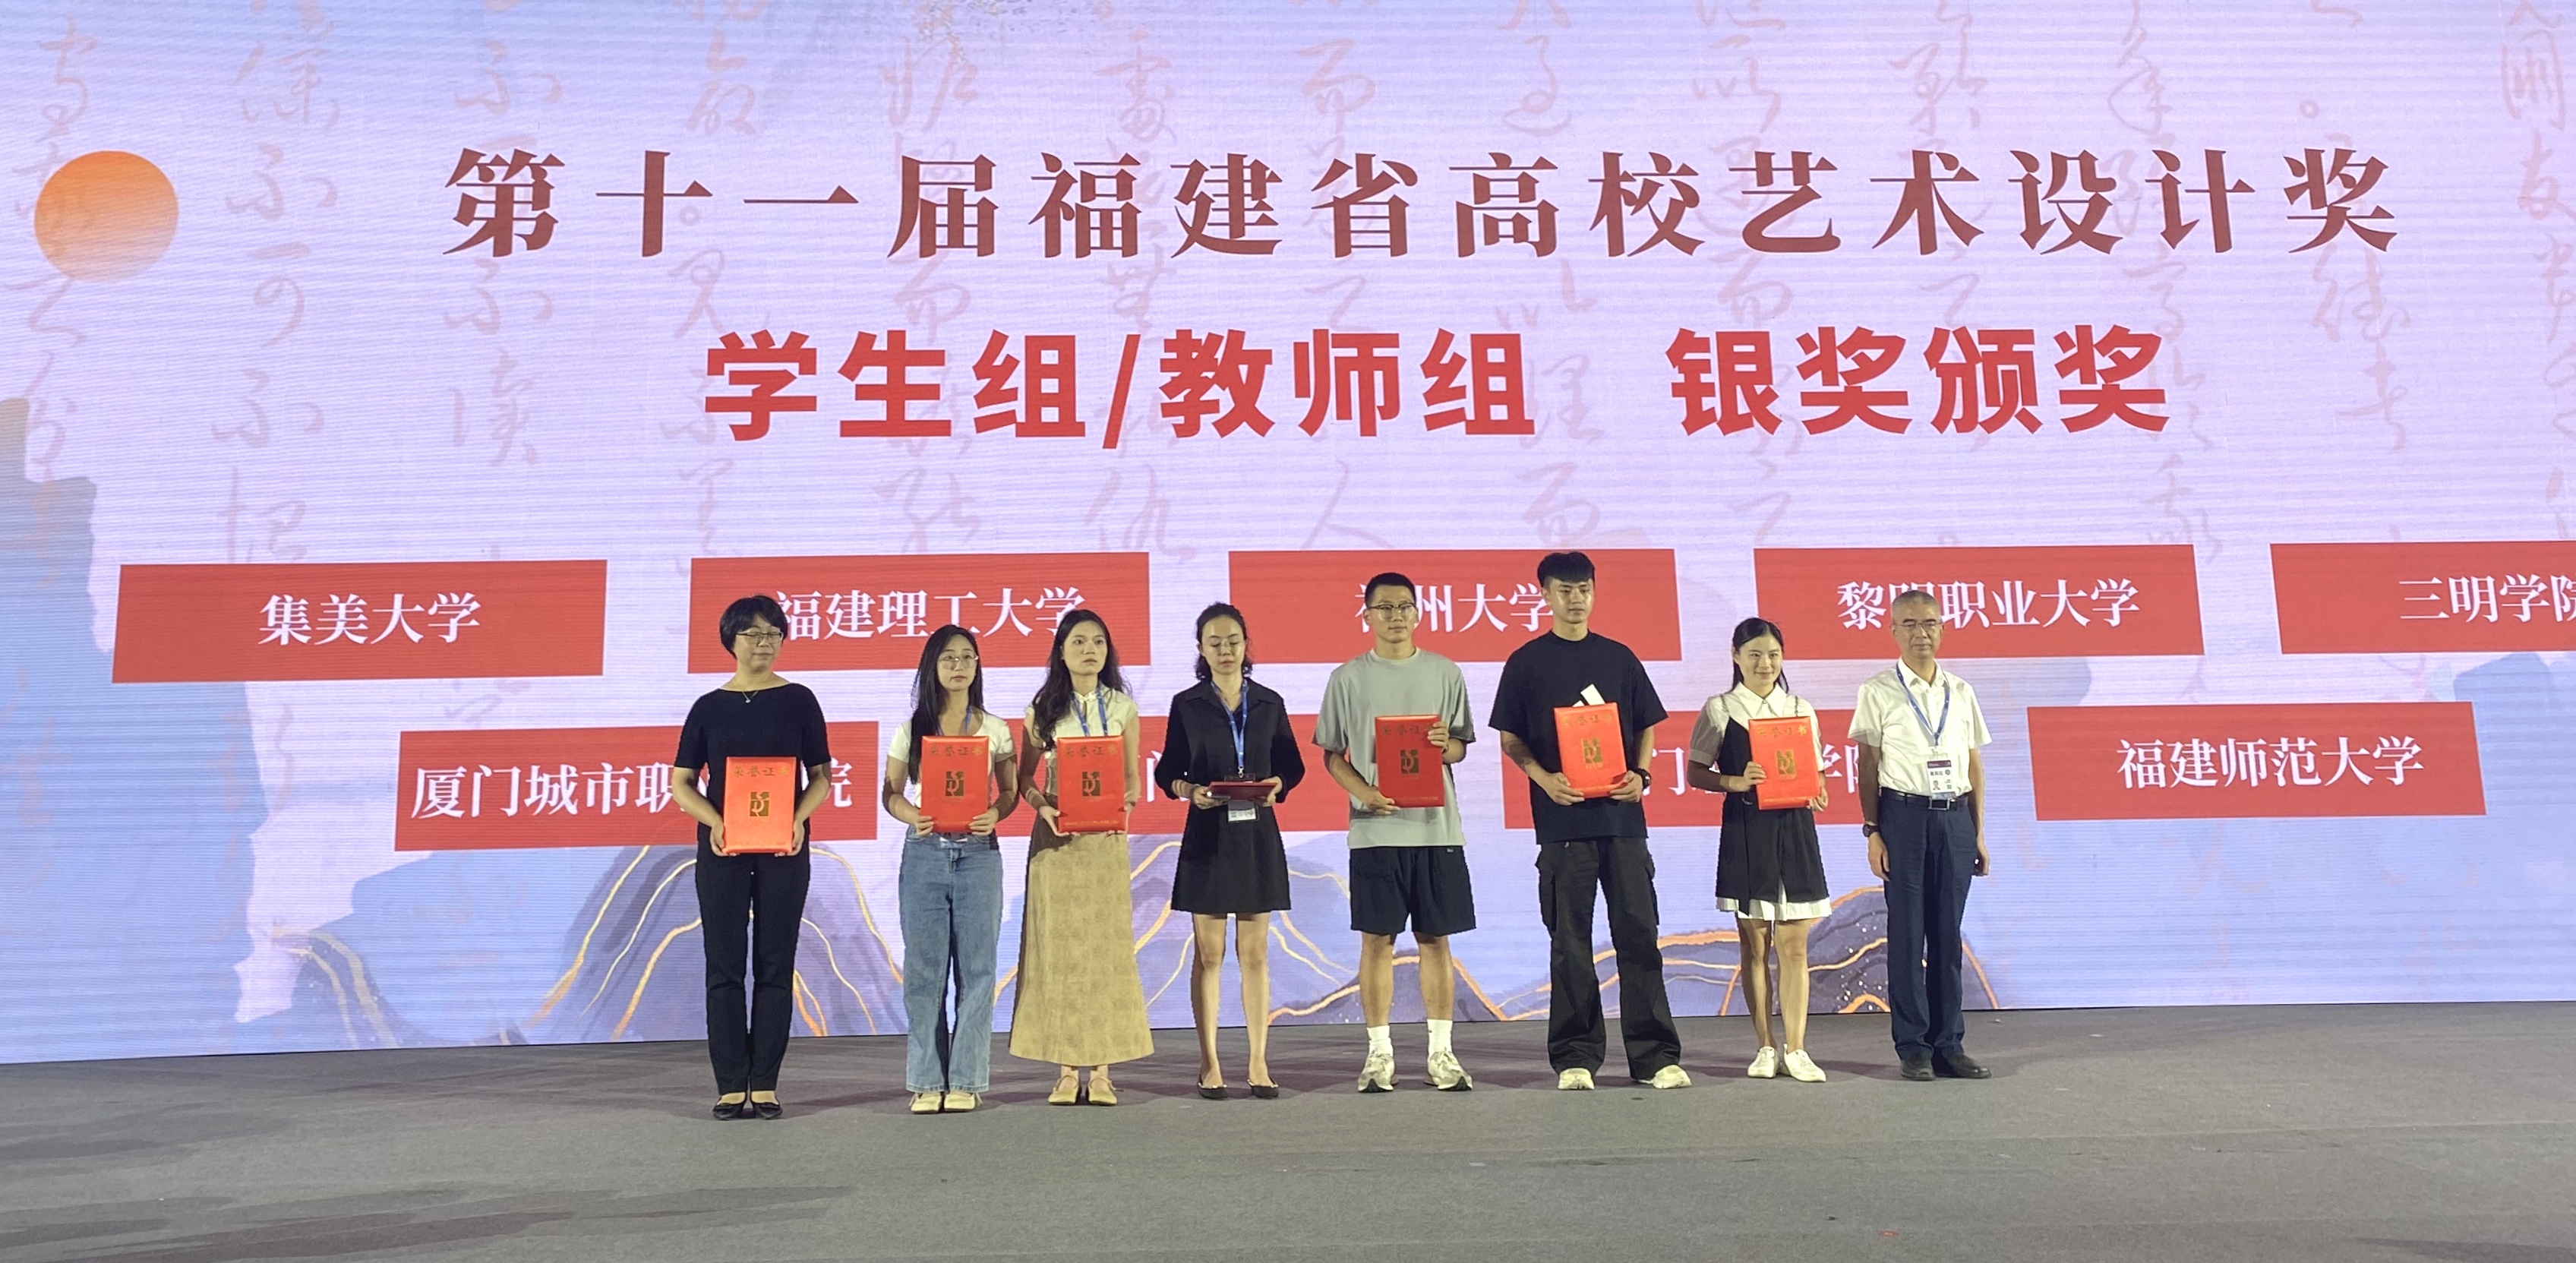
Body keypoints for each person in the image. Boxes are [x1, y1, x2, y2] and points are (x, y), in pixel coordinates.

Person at [1488, 551, 1689, 1091]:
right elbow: (1510, 738)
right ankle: (1575, 1056)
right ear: (1545, 595)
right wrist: (1543, 779)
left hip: (1623, 822)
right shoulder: (1526, 662)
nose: (1575, 599)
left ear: (1595, 593)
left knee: (1640, 936)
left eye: (1584, 589)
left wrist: (1641, 775)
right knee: (1571, 943)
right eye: (1564, 589)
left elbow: (1646, 724)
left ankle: (1654, 1057)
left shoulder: (1619, 657)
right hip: (1563, 825)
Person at [1312, 571, 1479, 1093]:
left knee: (1436, 938)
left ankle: (1441, 1053)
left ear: (1419, 613)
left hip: (1435, 829)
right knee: (1377, 939)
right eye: (1384, 607)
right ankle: (1379, 1054)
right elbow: (1331, 755)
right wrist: (1364, 793)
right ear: (1366, 615)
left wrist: (1445, 744)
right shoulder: (1347, 678)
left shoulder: (1445, 672)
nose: (1396, 616)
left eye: (1405, 606)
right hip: (1375, 830)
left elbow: (1460, 747)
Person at [669, 595, 833, 1120]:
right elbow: (682, 783)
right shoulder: (707, 707)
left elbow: (822, 777)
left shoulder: (800, 700)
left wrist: (797, 818)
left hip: (786, 847)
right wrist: (715, 821)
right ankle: (728, 1083)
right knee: (723, 965)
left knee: (775, 964)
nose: (765, 642)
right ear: (731, 640)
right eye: (754, 633)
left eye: (773, 633)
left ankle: (764, 1081)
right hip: (723, 850)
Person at [1157, 602, 1306, 1100]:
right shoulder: (1187, 704)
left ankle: (1259, 1061)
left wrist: (1278, 784)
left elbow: (1292, 765)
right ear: (1201, 649)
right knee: (1210, 952)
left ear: (1246, 644)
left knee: (1255, 953)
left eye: (1233, 640)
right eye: (1215, 642)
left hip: (1256, 833)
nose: (1225, 649)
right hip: (1208, 834)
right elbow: (1168, 770)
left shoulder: (1269, 702)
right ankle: (1210, 1062)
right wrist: (1188, 790)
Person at [1009, 610, 1154, 1104]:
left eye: (1098, 641)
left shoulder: (1123, 708)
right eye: (1078, 641)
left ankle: (1104, 1071)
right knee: (1061, 952)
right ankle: (1067, 1070)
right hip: (1056, 843)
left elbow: (1132, 779)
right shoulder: (1041, 710)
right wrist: (1043, 806)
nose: (1089, 649)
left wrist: (1125, 805)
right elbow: (1023, 778)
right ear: (1061, 651)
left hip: (1105, 844)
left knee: (1105, 953)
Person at [1851, 589, 1995, 1081]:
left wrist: (1978, 832)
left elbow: (1973, 764)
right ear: (1893, 630)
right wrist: (1873, 830)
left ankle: (1948, 1044)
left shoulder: (1962, 691)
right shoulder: (1877, 690)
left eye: (1929, 623)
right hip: (1903, 817)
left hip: (1955, 818)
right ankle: (1913, 1046)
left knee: (1948, 936)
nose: (1921, 633)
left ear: (1942, 628)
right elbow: (1867, 765)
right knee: (1908, 935)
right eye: (1909, 624)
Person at [1686, 617, 1831, 1084]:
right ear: (1736, 657)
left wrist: (1819, 789)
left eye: (1773, 655)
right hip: (1747, 831)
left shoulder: (1800, 708)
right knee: (1754, 946)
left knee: (1794, 947)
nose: (1765, 664)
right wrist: (1735, 781)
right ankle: (1765, 1046)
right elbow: (1695, 772)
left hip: (1795, 832)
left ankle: (1798, 1048)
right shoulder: (1721, 709)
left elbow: (1816, 770)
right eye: (1754, 655)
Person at [880, 626, 1016, 1116]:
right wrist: (911, 814)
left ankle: (966, 1080)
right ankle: (926, 1080)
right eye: (948, 658)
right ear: (932, 668)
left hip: (979, 854)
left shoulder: (995, 728)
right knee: (925, 971)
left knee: (978, 971)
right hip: (925, 853)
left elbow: (1009, 792)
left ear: (978, 666)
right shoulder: (912, 730)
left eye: (968, 658)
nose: (959, 666)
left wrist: (995, 813)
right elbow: (890, 792)